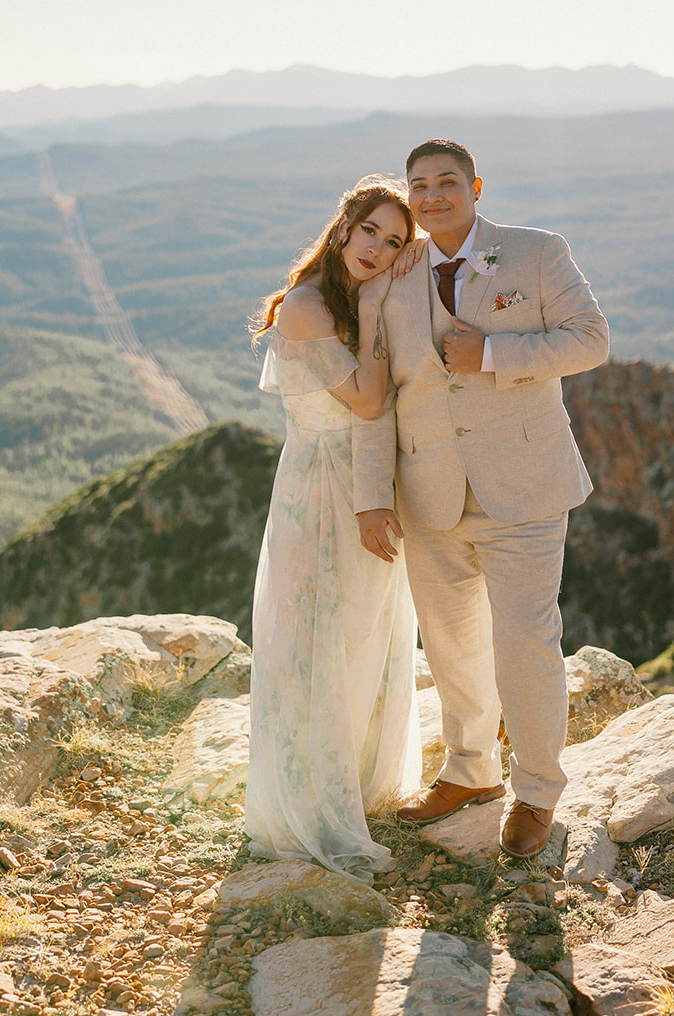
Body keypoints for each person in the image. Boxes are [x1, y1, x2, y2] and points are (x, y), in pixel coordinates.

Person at [353, 139, 609, 859]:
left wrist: (491, 355)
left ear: (474, 187)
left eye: (446, 182)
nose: (432, 195)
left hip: (523, 488)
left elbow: (590, 340)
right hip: (427, 492)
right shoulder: (390, 279)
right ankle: (469, 772)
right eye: (419, 186)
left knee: (526, 643)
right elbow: (378, 400)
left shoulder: (533, 253)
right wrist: (372, 496)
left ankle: (535, 792)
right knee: (450, 646)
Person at [244, 178, 423, 877]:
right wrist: (385, 314)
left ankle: (356, 778)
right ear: (344, 227)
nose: (377, 249)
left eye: (395, 243)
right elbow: (369, 397)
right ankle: (308, 801)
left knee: (363, 630)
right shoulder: (307, 307)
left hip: (367, 478)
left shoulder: (350, 297)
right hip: (318, 486)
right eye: (370, 232)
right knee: (312, 637)